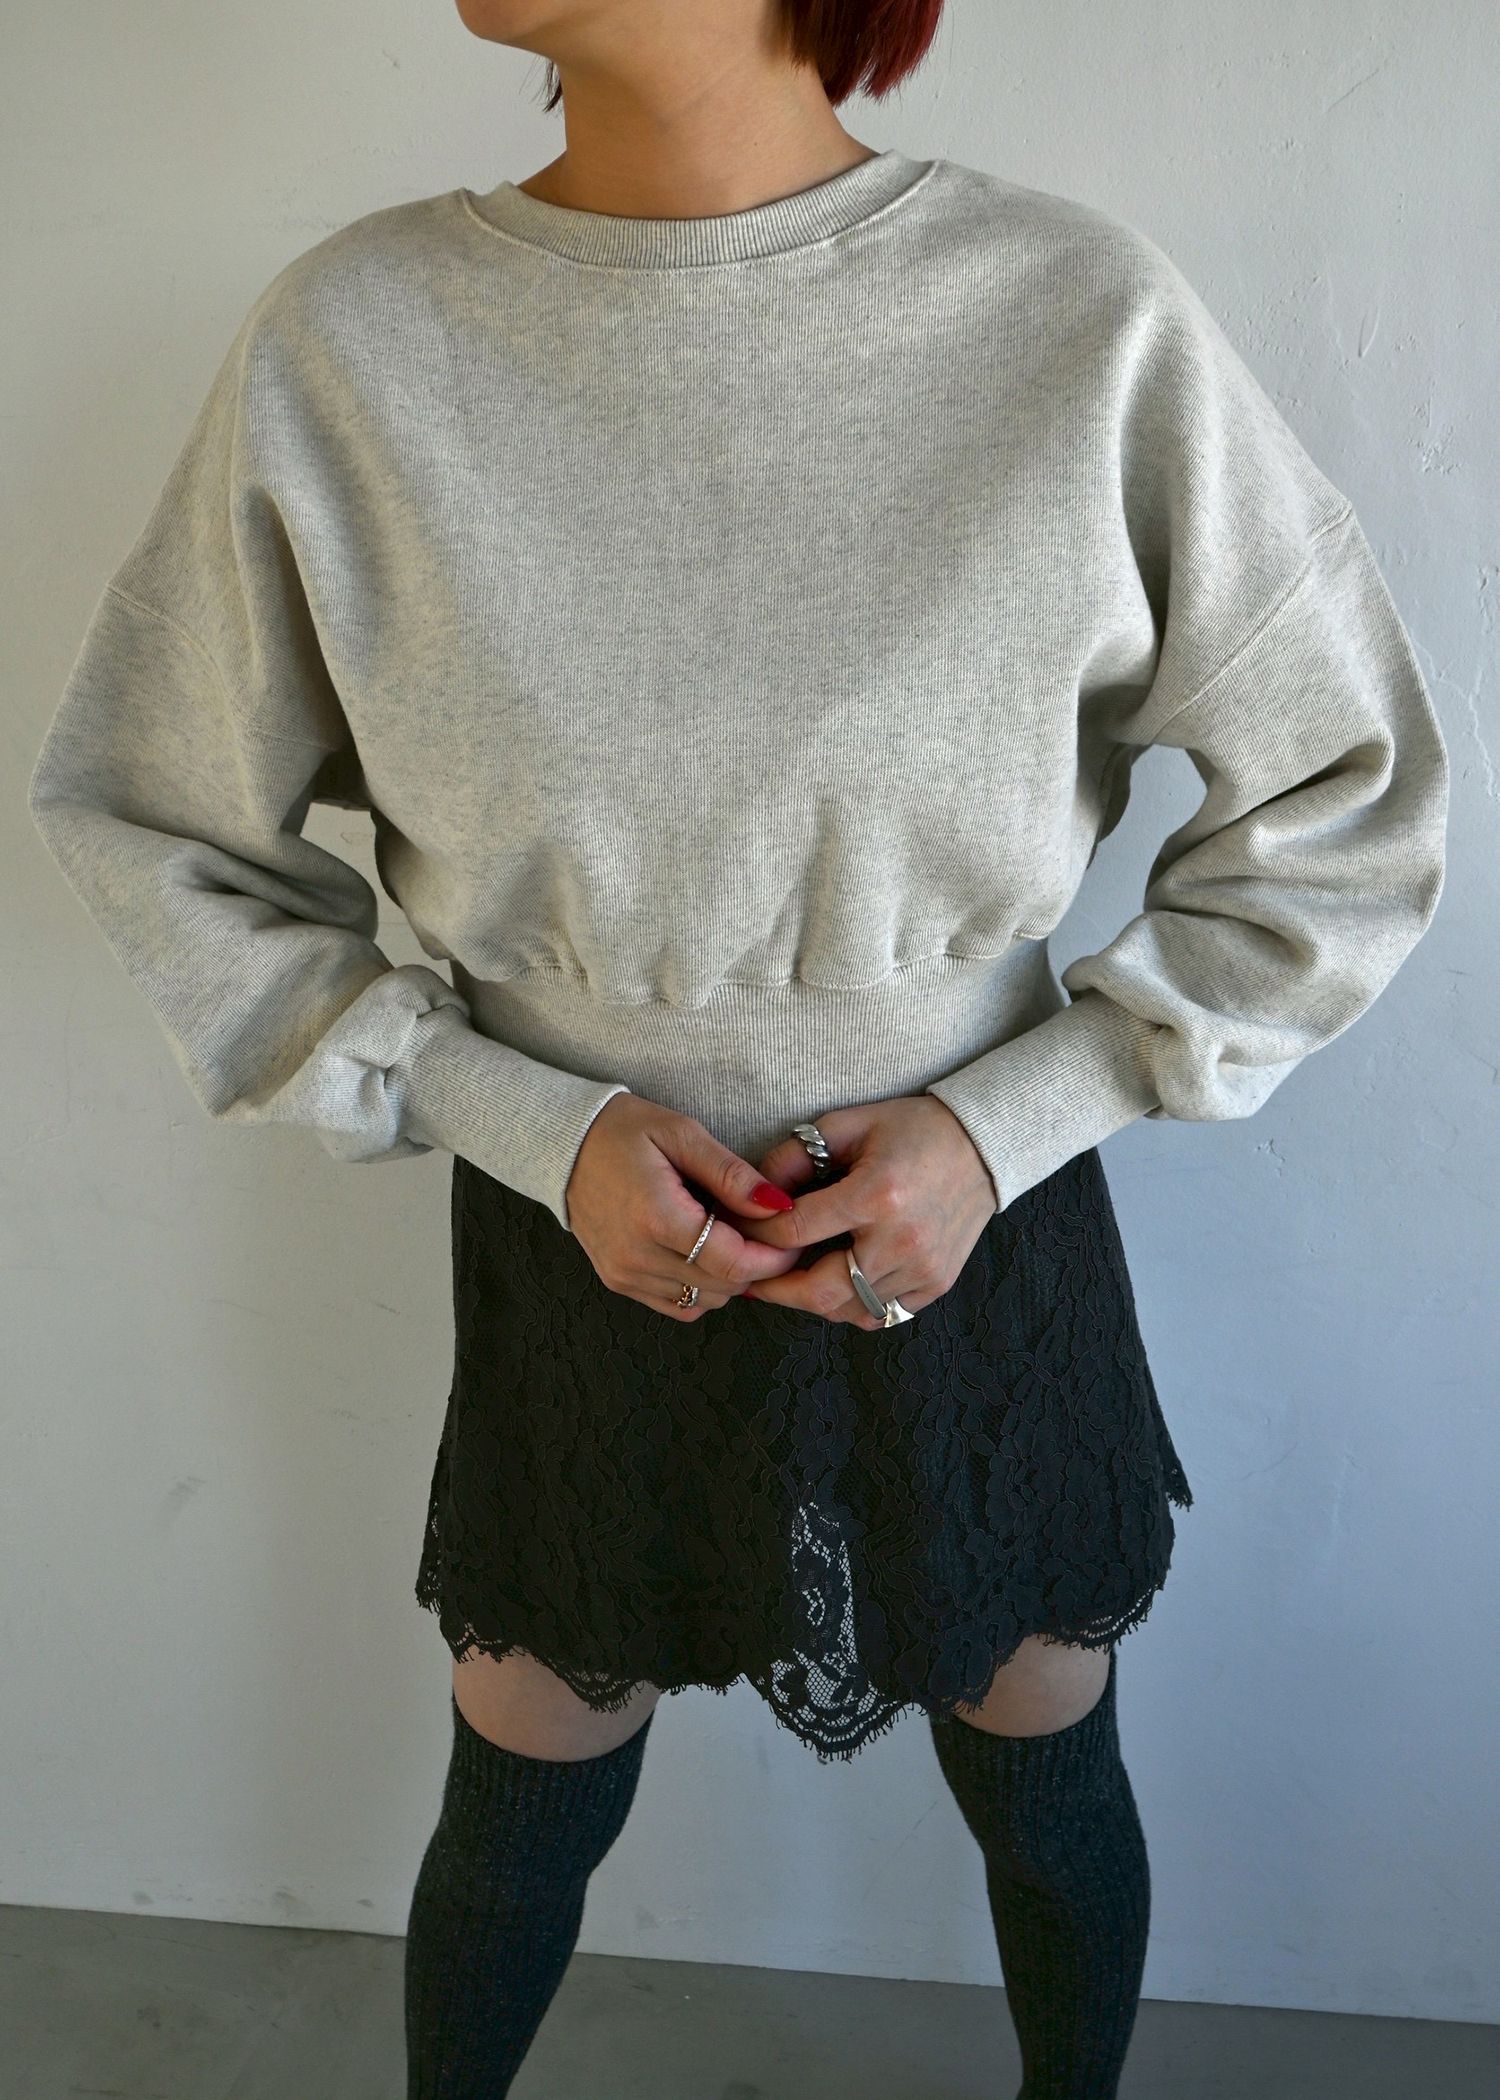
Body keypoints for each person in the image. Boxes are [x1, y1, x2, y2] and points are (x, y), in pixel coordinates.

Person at [26, 2, 1449, 2096]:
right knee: (524, 1793)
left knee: (1045, 1771)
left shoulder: (1073, 321)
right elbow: (155, 819)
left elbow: (1345, 798)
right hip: (573, 1239)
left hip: (979, 1231)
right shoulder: (355, 347)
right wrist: (525, 1118)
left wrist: (1009, 1122)